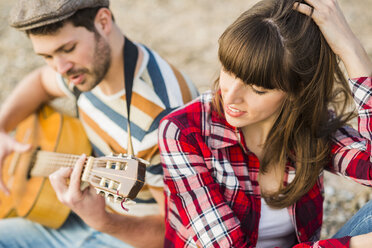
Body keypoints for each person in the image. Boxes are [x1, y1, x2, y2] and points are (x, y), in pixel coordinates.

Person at [159, 0, 372, 247]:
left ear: (296, 91)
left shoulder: (310, 122)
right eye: (229, 70)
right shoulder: (183, 131)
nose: (231, 96)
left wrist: (352, 51)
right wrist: (358, 244)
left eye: (258, 90)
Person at [0, 0, 198, 247]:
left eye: (68, 48)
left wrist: (103, 221)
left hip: (127, 234)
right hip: (82, 211)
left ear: (103, 22)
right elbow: (40, 82)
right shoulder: (85, 70)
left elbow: (177, 232)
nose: (60, 68)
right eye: (47, 56)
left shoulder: (162, 121)